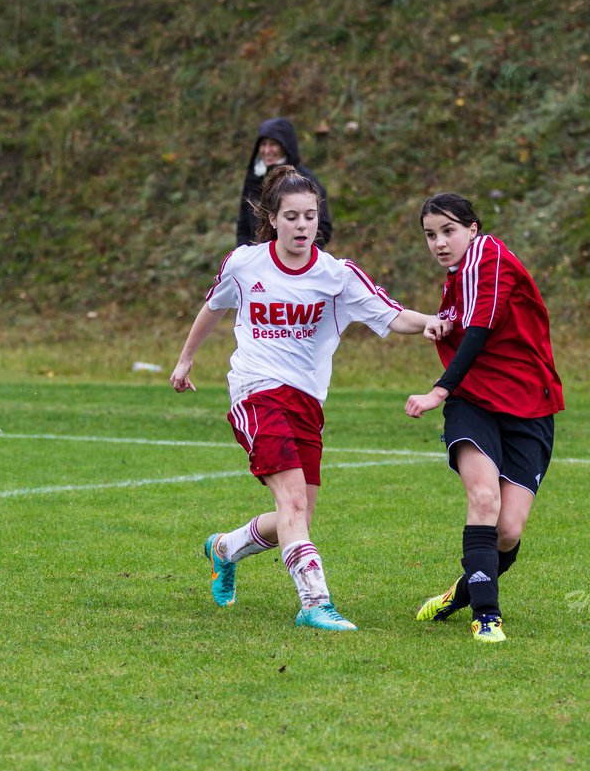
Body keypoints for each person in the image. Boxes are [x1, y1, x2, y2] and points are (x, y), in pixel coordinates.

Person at [172, 166, 445, 631]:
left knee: (295, 515)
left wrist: (438, 321)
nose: (302, 226)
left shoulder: (336, 275)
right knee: (294, 505)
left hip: (306, 402)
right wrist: (185, 360)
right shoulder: (245, 263)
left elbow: (392, 314)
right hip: (255, 392)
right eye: (293, 216)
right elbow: (213, 307)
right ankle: (315, 602)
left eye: (310, 217)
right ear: (272, 220)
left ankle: (223, 549)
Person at [404, 193, 564, 643]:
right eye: (430, 235)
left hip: (529, 403)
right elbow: (469, 323)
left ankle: (466, 590)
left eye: (448, 230)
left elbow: (481, 330)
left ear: (473, 228)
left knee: (509, 530)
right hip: (474, 402)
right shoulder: (461, 275)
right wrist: (441, 323)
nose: (439, 243)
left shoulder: (488, 256)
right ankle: (488, 615)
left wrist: (438, 390)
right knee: (483, 499)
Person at [237, 118, 333, 248]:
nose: (266, 150)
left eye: (273, 144)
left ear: (285, 146)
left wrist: (300, 256)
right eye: (263, 144)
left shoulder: (304, 179)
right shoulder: (254, 177)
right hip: (257, 260)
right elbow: (243, 225)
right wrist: (245, 256)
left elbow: (323, 227)